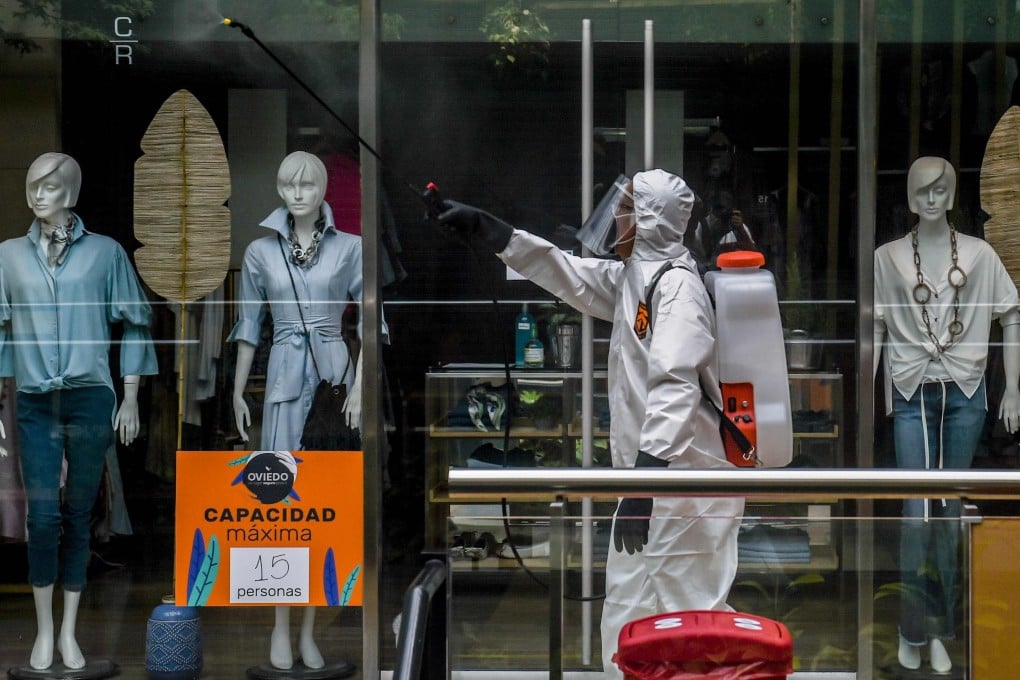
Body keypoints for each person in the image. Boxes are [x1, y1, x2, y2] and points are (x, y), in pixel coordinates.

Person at [437, 168, 745, 679]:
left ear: (648, 221)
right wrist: (492, 231)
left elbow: (676, 388)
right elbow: (566, 272)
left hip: (685, 486)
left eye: (624, 209)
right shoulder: (636, 279)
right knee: (630, 609)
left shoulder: (678, 289)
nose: (614, 218)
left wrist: (644, 485)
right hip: (649, 484)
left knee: (690, 613)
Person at [229, 150, 385, 672]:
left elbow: (369, 326)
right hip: (280, 380)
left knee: (323, 507)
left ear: (323, 190)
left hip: (335, 379)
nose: (299, 194)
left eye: (309, 184)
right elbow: (249, 327)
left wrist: (360, 387)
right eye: (290, 185)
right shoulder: (258, 253)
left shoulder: (352, 249)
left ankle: (310, 630)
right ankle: (277, 625)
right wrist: (236, 391)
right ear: (278, 189)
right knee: (277, 508)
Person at [0, 152, 157, 672]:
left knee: (78, 515)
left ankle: (69, 631)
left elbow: (134, 322)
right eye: (32, 186)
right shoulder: (7, 257)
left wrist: (130, 395)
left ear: (69, 191)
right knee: (42, 518)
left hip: (91, 398)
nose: (37, 194)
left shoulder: (106, 254)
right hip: (35, 402)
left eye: (48, 186)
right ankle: (43, 631)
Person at [874, 156, 1020, 674]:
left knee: (950, 516)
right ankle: (911, 629)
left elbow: (1011, 311)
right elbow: (875, 326)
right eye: (924, 190)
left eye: (942, 190)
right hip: (912, 389)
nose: (933, 198)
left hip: (966, 388)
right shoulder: (888, 258)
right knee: (916, 515)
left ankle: (940, 629)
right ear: (911, 196)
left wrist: (1014, 390)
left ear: (953, 194)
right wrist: (877, 392)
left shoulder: (979, 256)